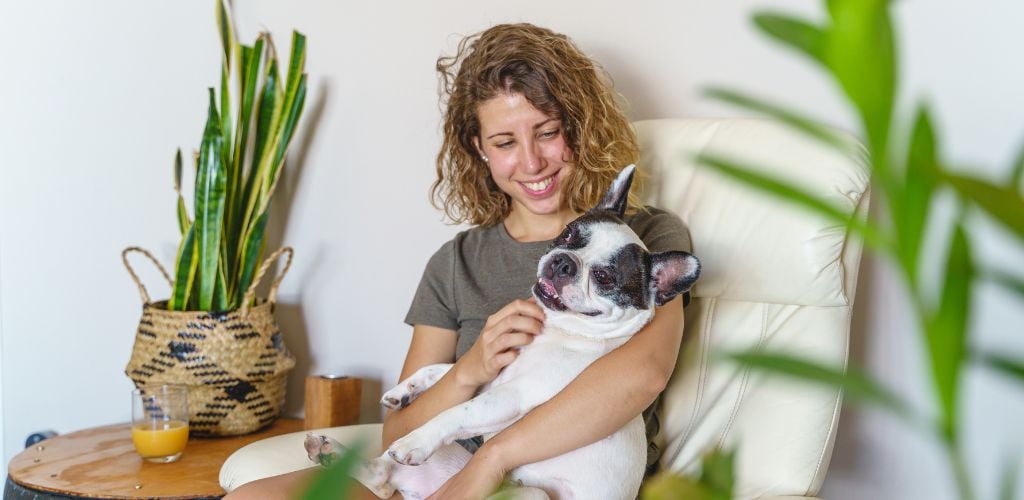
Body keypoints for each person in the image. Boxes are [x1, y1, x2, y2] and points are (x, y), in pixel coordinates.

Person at [226, 22, 690, 500]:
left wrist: (492, 461)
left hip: (551, 484)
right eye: (505, 143)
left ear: (579, 126)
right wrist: (472, 368)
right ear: (479, 149)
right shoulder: (457, 262)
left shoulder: (643, 241)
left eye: (548, 132)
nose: (531, 163)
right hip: (440, 471)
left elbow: (644, 375)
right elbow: (399, 433)